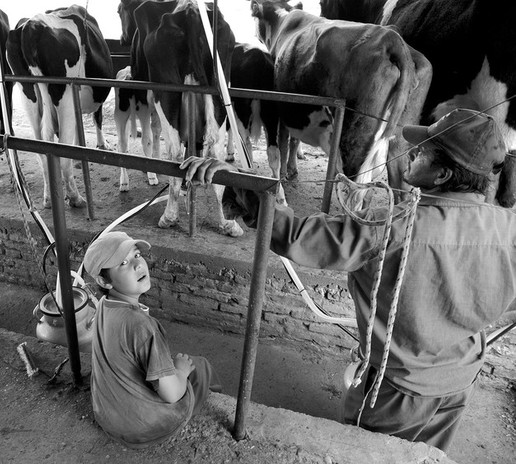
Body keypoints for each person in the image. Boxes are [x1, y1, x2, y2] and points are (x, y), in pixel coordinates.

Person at [180, 108, 516, 453]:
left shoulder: (393, 225)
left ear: (443, 174)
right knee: (425, 456)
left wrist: (240, 181)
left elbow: (295, 235)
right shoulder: (508, 226)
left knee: (373, 454)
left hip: (398, 389)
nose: (412, 151)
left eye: (425, 149)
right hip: (461, 378)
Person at [83, 231, 220, 448]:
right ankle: (211, 400)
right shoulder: (143, 326)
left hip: (106, 416)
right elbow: (171, 394)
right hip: (144, 429)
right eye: (123, 263)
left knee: (168, 365)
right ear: (103, 280)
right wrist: (182, 371)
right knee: (200, 366)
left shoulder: (103, 305)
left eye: (137, 255)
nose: (138, 265)